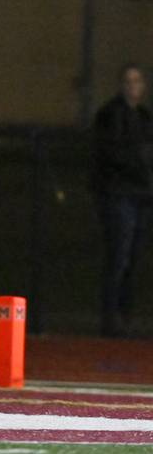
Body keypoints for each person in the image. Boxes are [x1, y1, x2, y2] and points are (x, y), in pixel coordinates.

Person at [91, 64, 153, 337]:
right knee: (119, 256)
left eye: (137, 81)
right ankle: (110, 317)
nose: (133, 86)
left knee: (133, 257)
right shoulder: (110, 114)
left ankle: (125, 315)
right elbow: (111, 155)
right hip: (119, 194)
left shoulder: (143, 116)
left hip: (140, 194)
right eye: (128, 80)